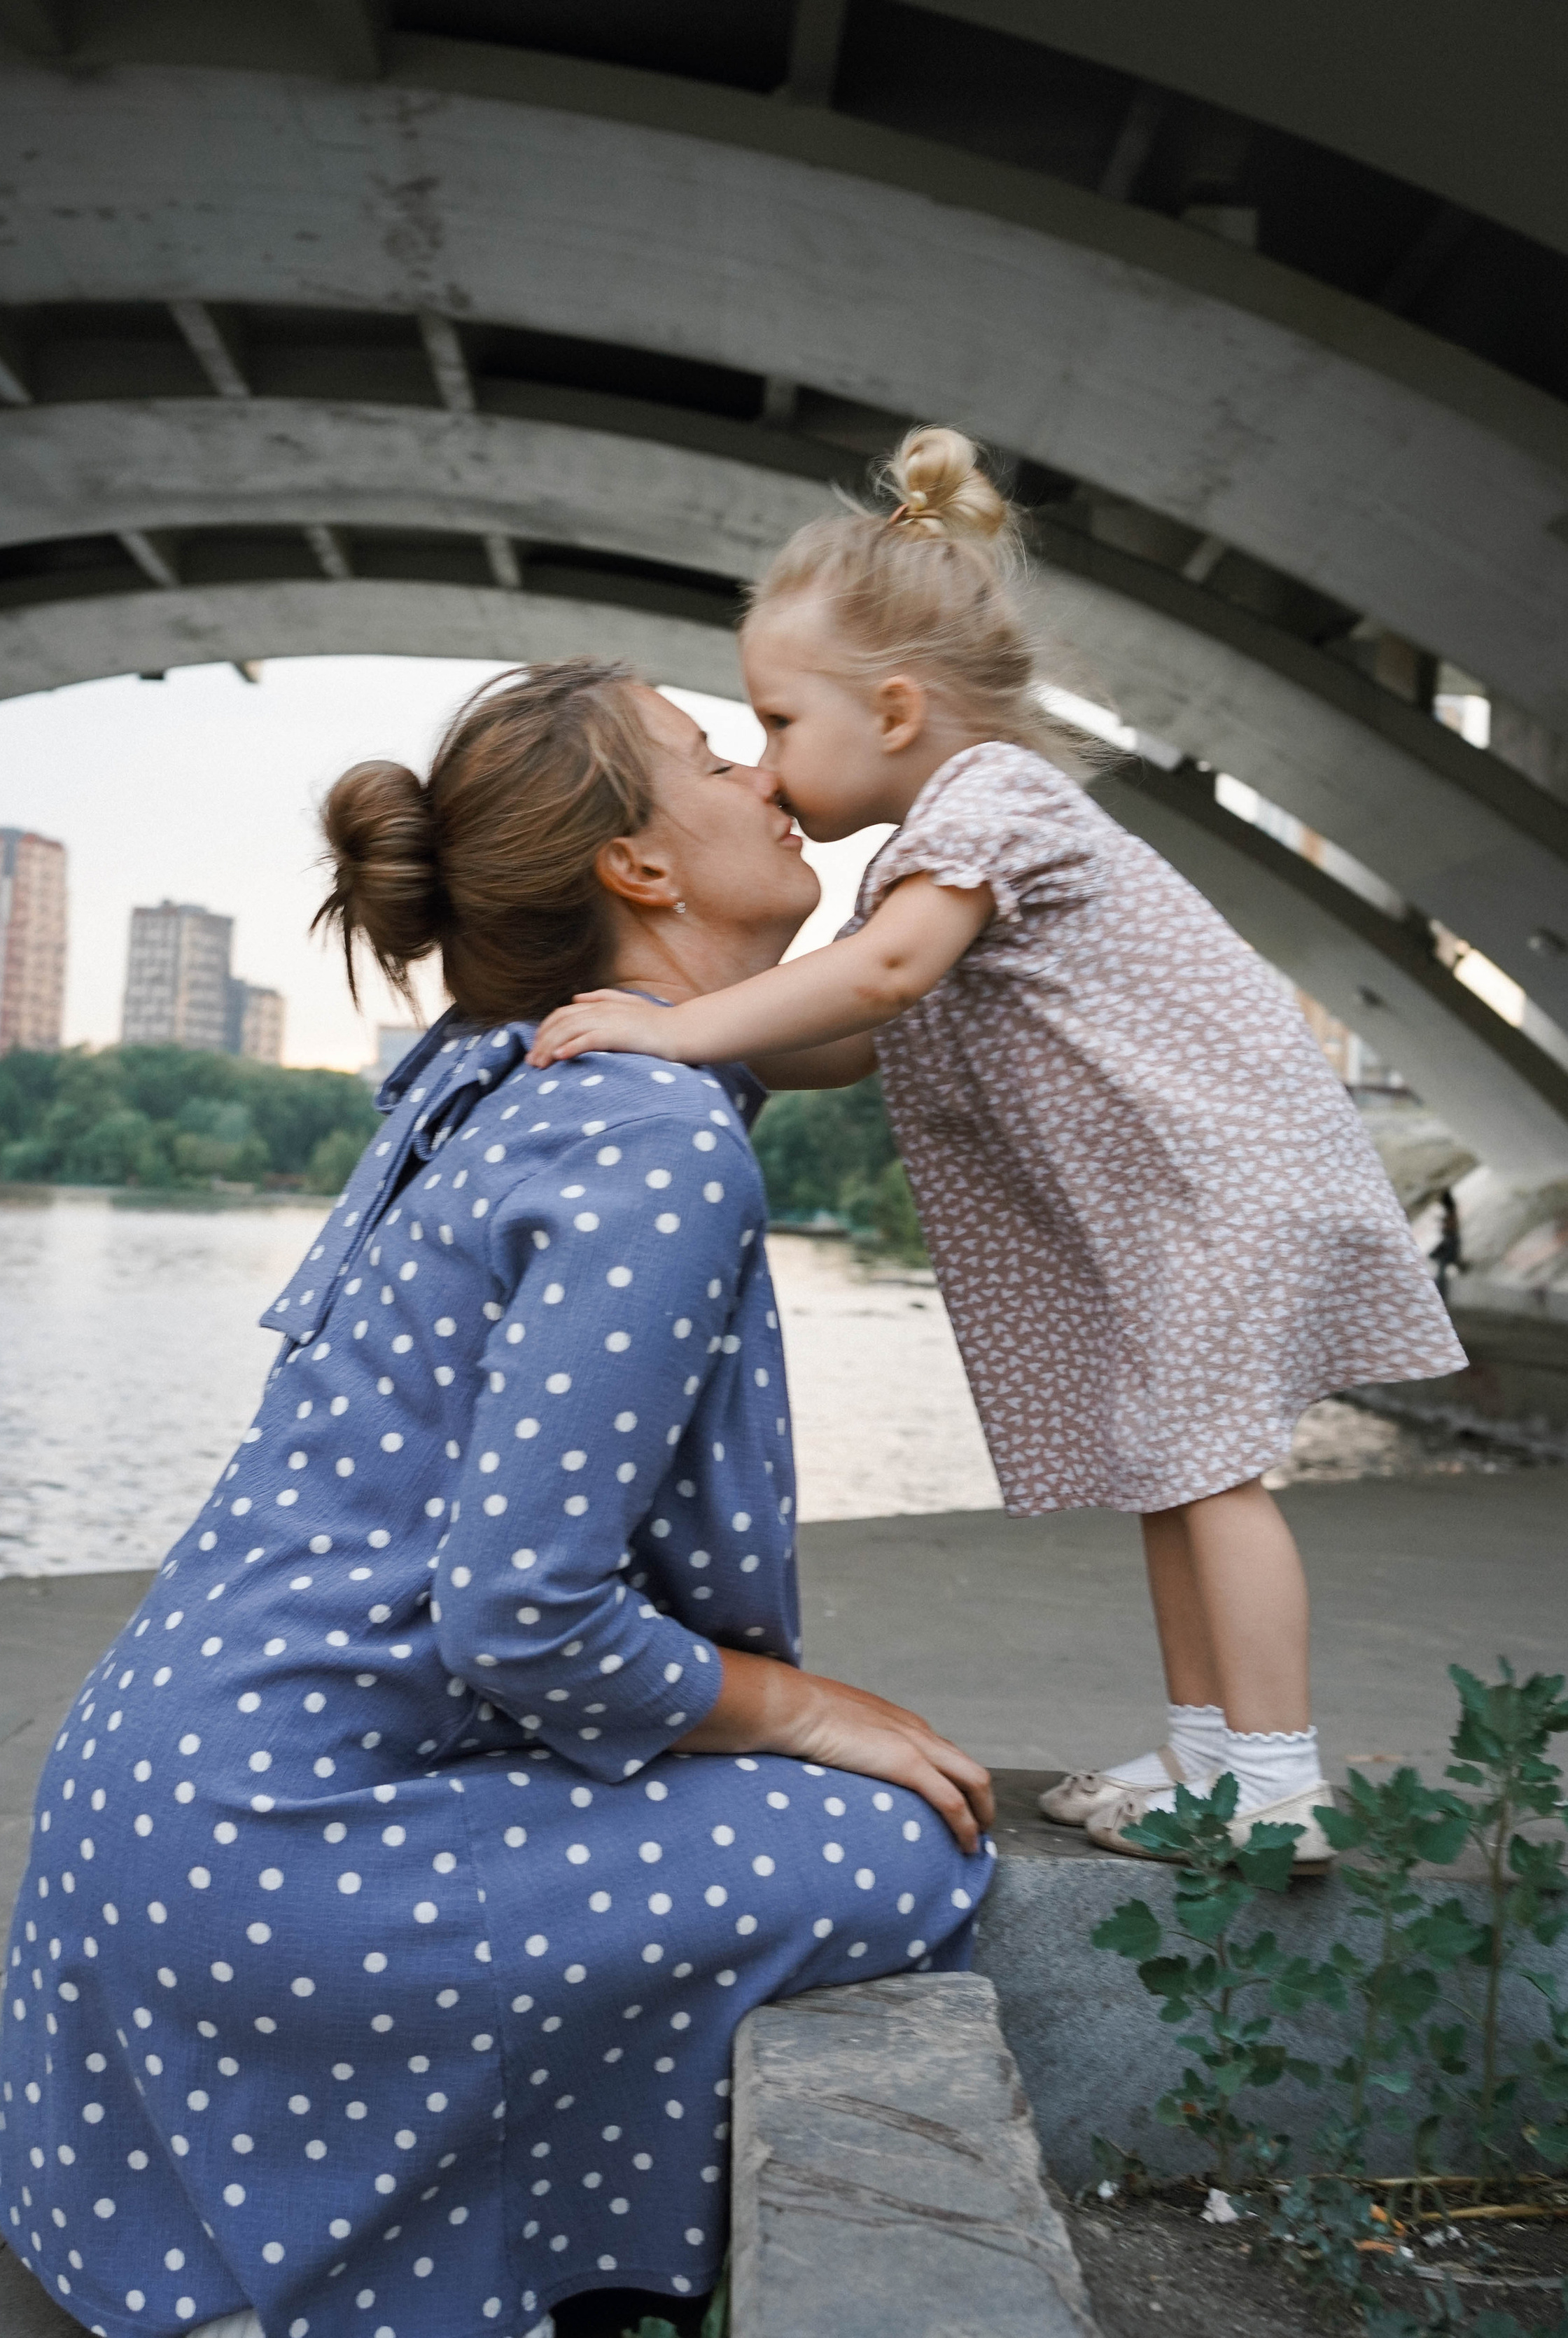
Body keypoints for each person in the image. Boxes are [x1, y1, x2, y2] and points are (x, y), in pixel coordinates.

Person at [0, 658, 995, 2338]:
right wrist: (806, 1712)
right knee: (895, 1843)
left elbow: (872, 1019)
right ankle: (432, 2256)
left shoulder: (506, 1080)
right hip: (272, 1867)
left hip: (138, 1820)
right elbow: (521, 1615)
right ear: (638, 870)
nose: (763, 774)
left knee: (727, 1822)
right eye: (706, 754)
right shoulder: (650, 1137)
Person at [531, 430, 1467, 1870]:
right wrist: (676, 1026)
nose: (768, 769)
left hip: (1212, 1178)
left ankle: (1278, 1778)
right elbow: (843, 1039)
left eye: (777, 723)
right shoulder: (933, 853)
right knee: (1174, 1474)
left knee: (1214, 1479)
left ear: (894, 707)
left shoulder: (990, 807)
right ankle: (1206, 1756)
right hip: (1166, 1199)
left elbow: (881, 982)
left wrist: (675, 1033)